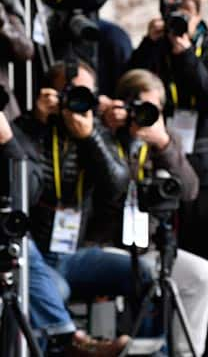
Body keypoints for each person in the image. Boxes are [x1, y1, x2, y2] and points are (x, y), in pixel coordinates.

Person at [96, 68, 208, 356]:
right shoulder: (102, 133)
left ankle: (184, 352)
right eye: (143, 107)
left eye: (157, 108)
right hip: (104, 244)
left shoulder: (163, 139)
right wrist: (108, 129)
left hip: (148, 247)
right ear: (125, 104)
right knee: (146, 274)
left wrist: (163, 145)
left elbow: (189, 190)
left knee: (203, 275)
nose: (149, 115)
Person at [15, 61, 153, 313]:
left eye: (86, 93)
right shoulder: (26, 128)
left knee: (143, 275)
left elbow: (116, 186)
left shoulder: (95, 131)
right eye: (72, 92)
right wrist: (38, 123)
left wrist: (90, 138)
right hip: (36, 252)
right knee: (56, 291)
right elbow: (25, 185)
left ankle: (141, 347)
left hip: (77, 252)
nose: (79, 100)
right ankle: (71, 344)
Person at [126, 0, 208, 263]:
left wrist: (186, 56)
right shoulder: (156, 47)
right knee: (155, 243)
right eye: (173, 12)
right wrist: (149, 44)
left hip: (201, 159)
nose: (180, 19)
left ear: (198, 16)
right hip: (156, 154)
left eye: (186, 12)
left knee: (198, 247)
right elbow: (129, 85)